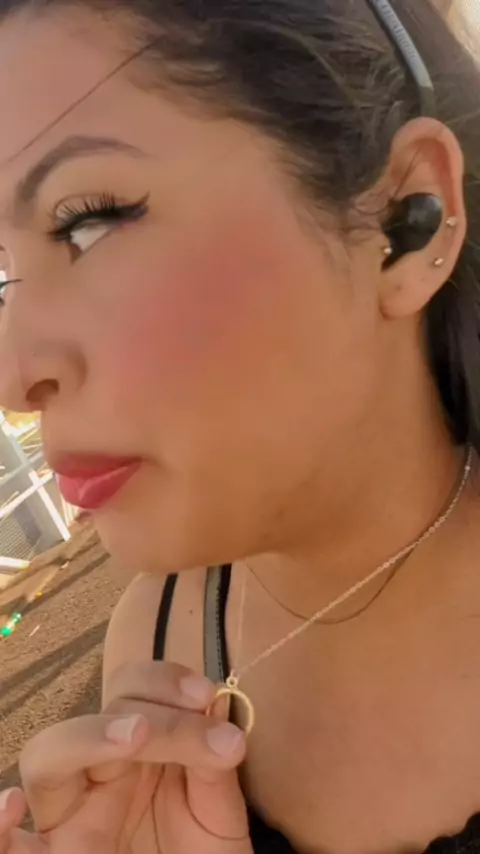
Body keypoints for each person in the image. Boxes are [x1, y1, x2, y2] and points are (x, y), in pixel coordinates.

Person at [0, 0, 479, 851]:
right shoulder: (160, 645)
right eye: (4, 275)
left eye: (88, 221)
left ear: (406, 220)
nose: (12, 377)